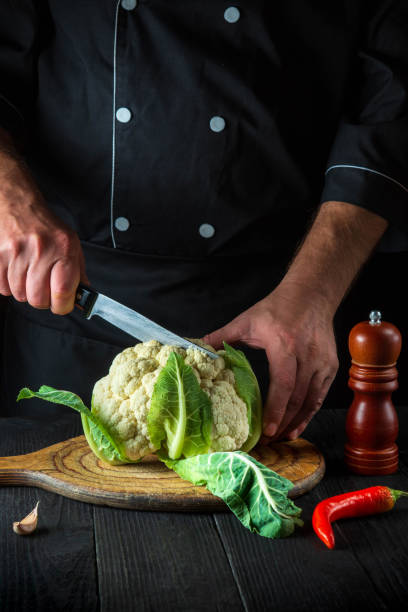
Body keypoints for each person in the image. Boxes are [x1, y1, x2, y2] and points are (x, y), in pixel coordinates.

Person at [0, 2, 406, 441]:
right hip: (70, 307)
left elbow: (389, 99)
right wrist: (9, 196)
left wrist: (314, 290)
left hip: (289, 315)